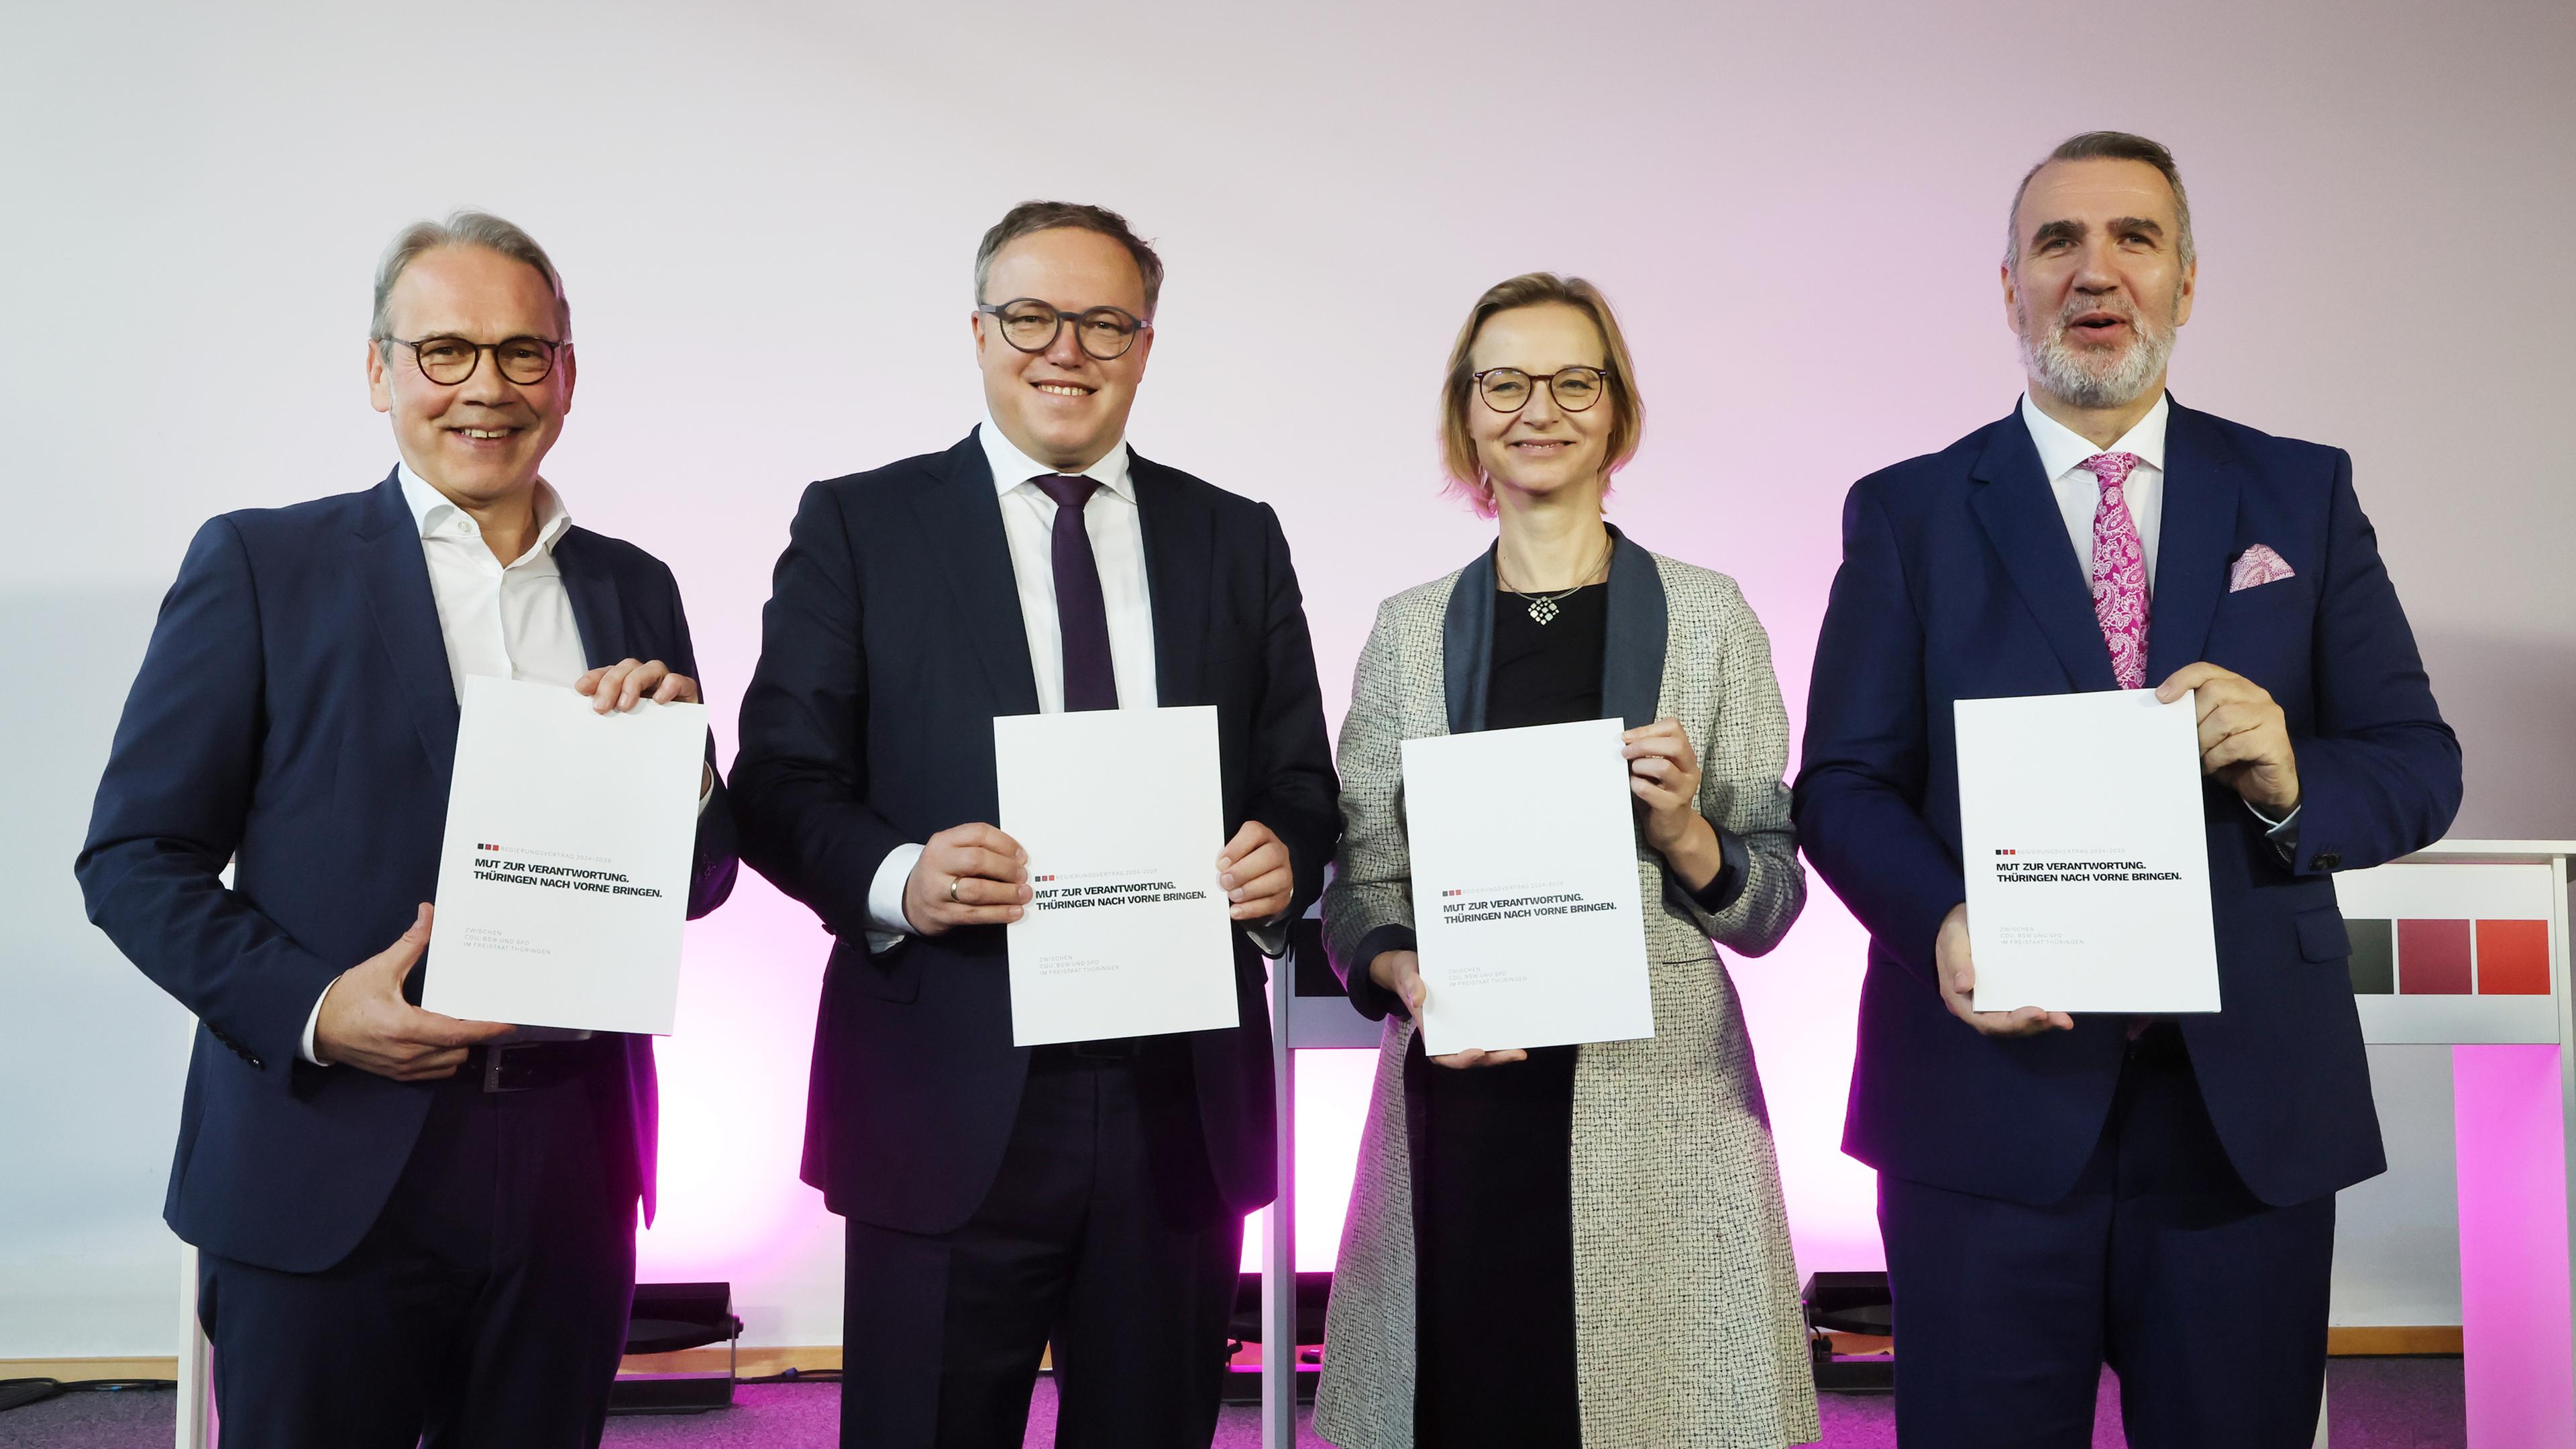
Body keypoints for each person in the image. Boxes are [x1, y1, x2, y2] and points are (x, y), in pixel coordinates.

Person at [1795, 131, 2463, 1448]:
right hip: (1985, 1119)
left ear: (2188, 282)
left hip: (2244, 1122)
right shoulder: (1912, 513)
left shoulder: (2302, 495)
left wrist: (2287, 771)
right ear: (2009, 287)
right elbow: (1842, 785)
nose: (2096, 272)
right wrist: (1941, 921)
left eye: (2134, 239)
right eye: (2058, 242)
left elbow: (2416, 764)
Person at [74, 211, 739, 1448]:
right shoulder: (265, 565)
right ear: (377, 371)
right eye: (444, 351)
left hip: (568, 1166)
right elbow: (133, 861)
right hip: (322, 1162)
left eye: (521, 352)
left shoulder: (633, 584)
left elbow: (696, 886)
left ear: (568, 373)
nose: (485, 387)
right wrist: (320, 1009)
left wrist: (691, 782)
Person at [731, 200, 1338, 1449]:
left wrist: (1283, 857)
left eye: (1104, 322)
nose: (1066, 348)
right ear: (978, 330)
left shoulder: (1235, 535)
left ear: (1146, 344)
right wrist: (900, 877)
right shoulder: (859, 525)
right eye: (1032, 316)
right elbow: (778, 783)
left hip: (1179, 1101)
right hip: (944, 1096)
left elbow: (1299, 784)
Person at [1313, 273, 1817, 1448]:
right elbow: (1364, 888)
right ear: (1467, 413)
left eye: (1573, 380)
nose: (1540, 409)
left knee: (1659, 1415)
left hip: (1659, 1102)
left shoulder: (1707, 617)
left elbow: (1773, 898)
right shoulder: (1408, 629)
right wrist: (1402, 977)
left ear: (1617, 410)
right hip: (1463, 1097)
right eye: (1506, 382)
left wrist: (1689, 831)